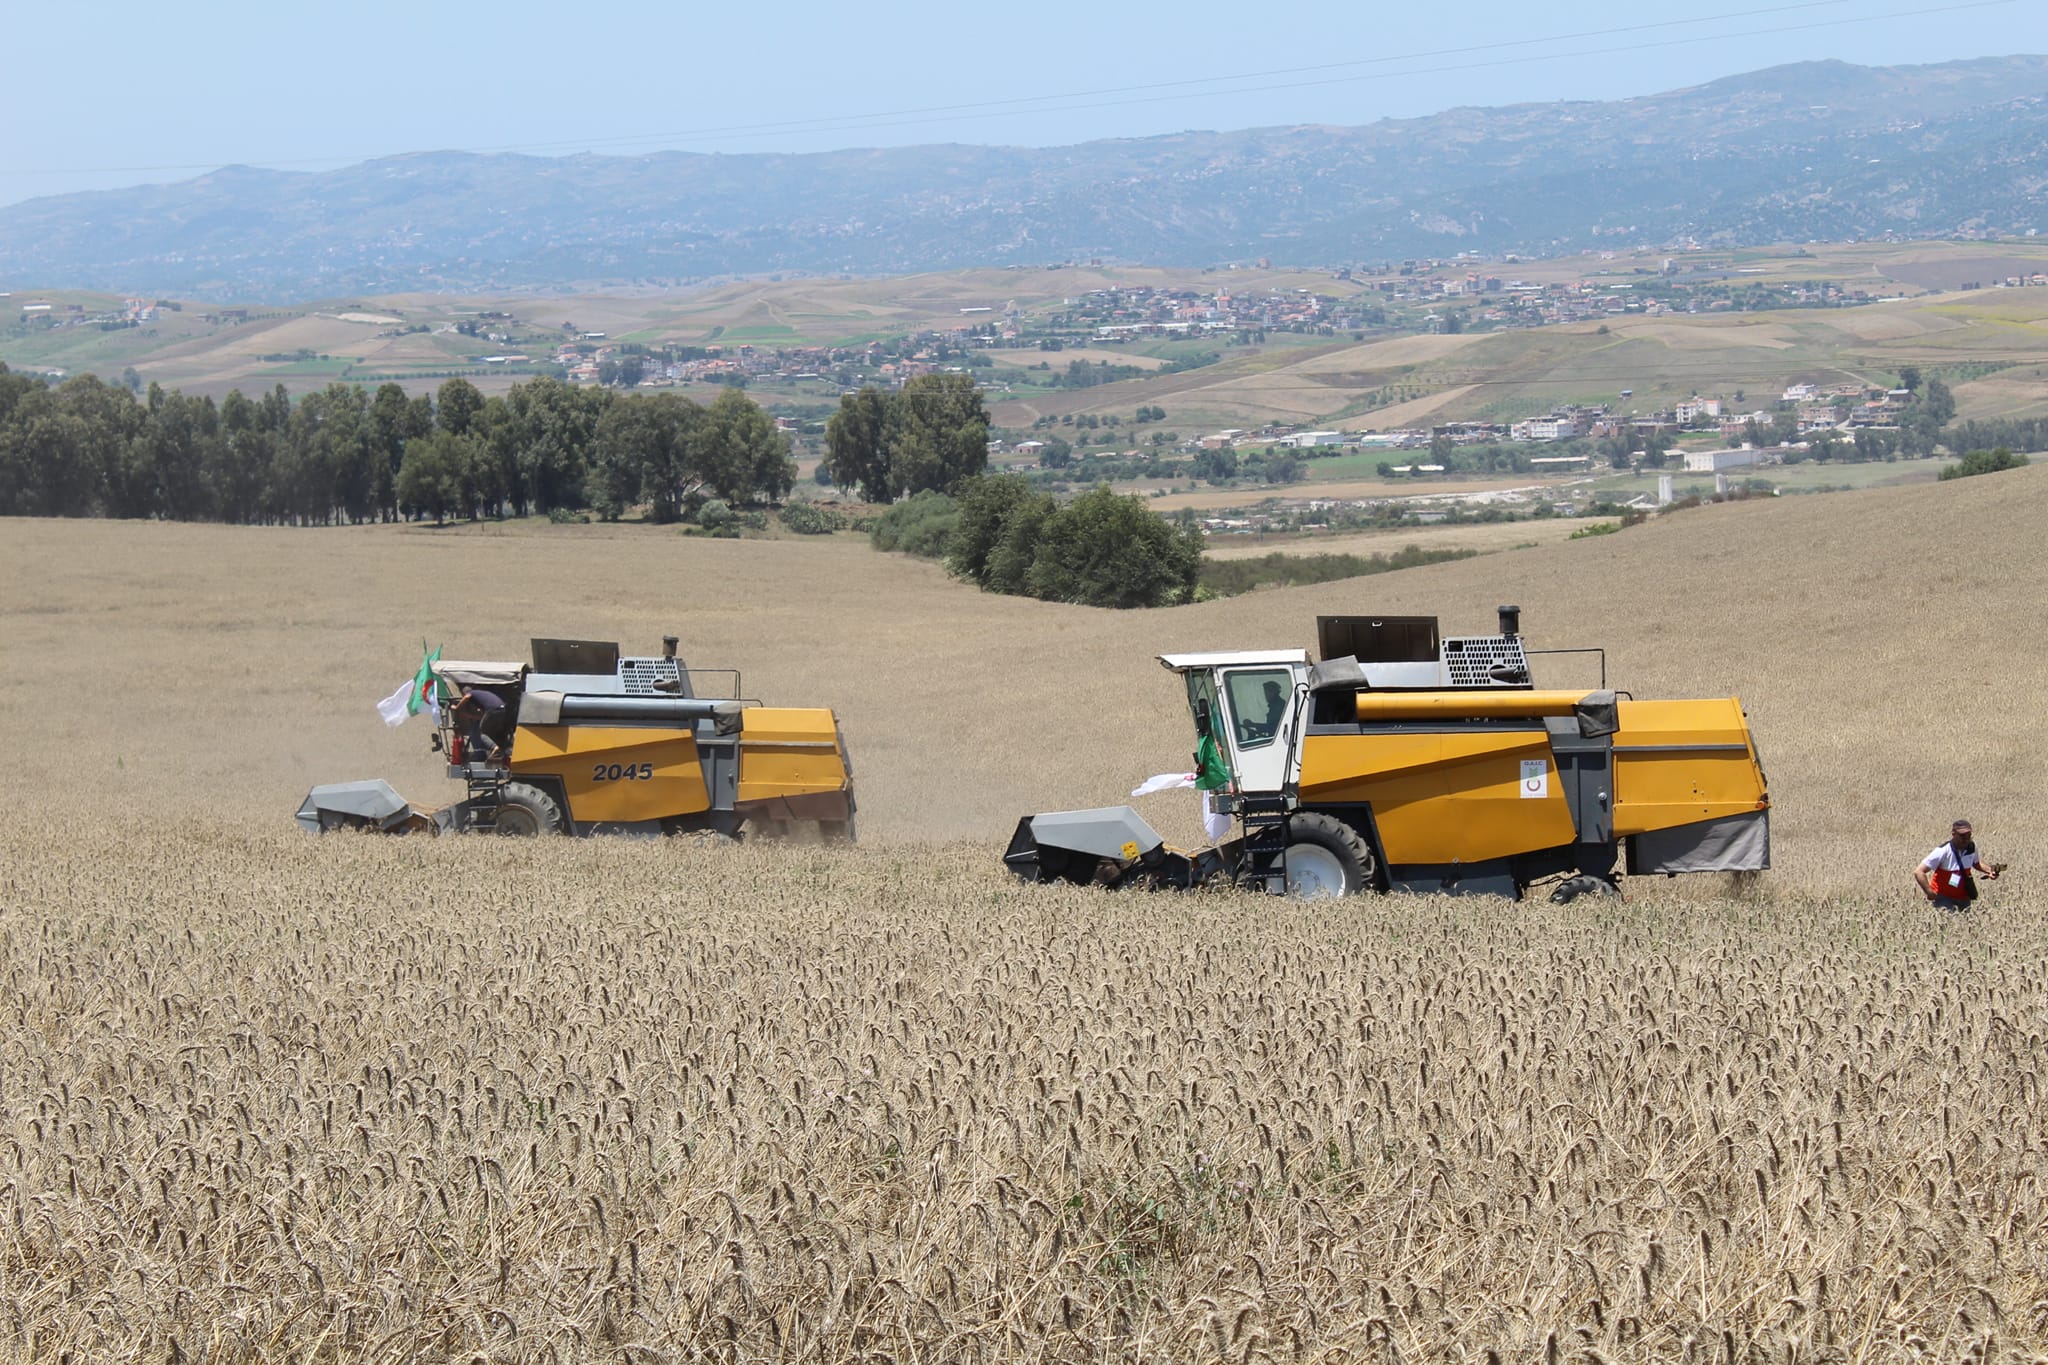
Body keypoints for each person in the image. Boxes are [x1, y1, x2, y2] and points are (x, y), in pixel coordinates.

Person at [1915, 819, 2000, 909]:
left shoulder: (1972, 847)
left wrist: (1989, 871)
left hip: (1964, 897)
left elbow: (1976, 863)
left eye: (1969, 836)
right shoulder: (1943, 850)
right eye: (1962, 836)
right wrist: (1929, 892)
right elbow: (1919, 872)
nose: (1966, 839)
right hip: (1943, 898)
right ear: (1953, 834)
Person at [450, 685, 508, 763]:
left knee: (482, 732)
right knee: (492, 731)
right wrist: (468, 715)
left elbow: (467, 697)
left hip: (493, 710)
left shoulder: (471, 693)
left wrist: (457, 708)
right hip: (502, 710)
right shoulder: (481, 697)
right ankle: (499, 751)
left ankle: (494, 747)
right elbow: (482, 716)